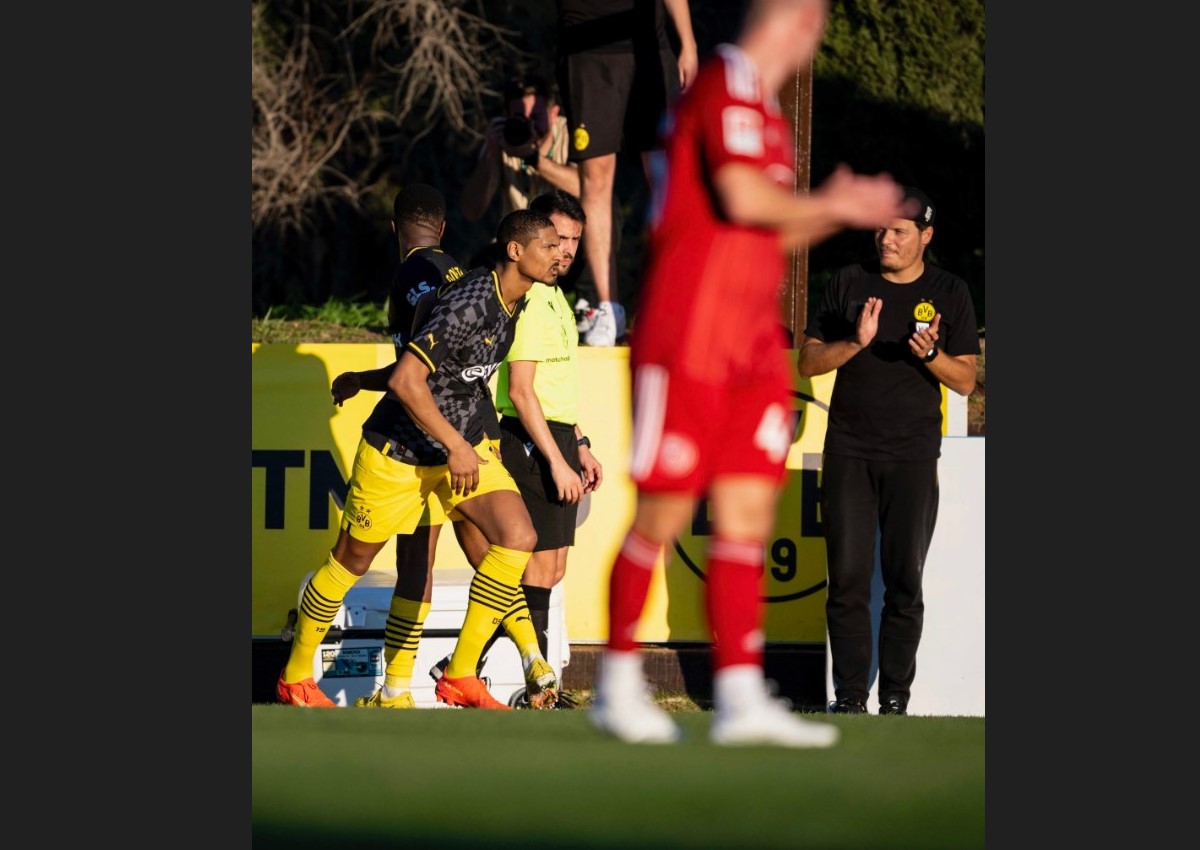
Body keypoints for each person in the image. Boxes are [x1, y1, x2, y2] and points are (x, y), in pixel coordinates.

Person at [585, 0, 911, 747]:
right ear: (792, 18)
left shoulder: (767, 114)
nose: (814, 32)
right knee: (664, 512)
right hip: (689, 333)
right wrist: (831, 202)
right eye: (811, 17)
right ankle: (618, 684)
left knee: (745, 519)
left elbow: (773, 222)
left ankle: (738, 696)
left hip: (752, 342)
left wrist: (837, 210)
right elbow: (740, 197)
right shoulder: (722, 84)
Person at [276, 208, 564, 710]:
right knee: (351, 560)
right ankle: (296, 676)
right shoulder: (470, 302)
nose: (560, 255)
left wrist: (467, 440)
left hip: (458, 449)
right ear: (515, 251)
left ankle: (460, 673)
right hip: (401, 452)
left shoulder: (516, 302)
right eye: (550, 245)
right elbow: (407, 380)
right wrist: (455, 445)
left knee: (518, 536)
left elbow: (449, 372)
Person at [796, 186, 979, 716]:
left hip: (913, 456)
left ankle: (896, 696)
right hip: (849, 451)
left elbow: (966, 380)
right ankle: (850, 696)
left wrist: (932, 354)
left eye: (899, 231)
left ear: (926, 236)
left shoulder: (950, 290)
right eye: (880, 229)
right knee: (847, 581)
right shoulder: (849, 282)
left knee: (904, 582)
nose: (886, 239)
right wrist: (855, 342)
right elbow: (808, 363)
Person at [556, 0, 699, 346]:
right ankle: (608, 308)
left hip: (648, 47)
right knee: (596, 179)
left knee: (666, 179)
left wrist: (688, 43)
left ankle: (680, 300)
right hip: (587, 47)